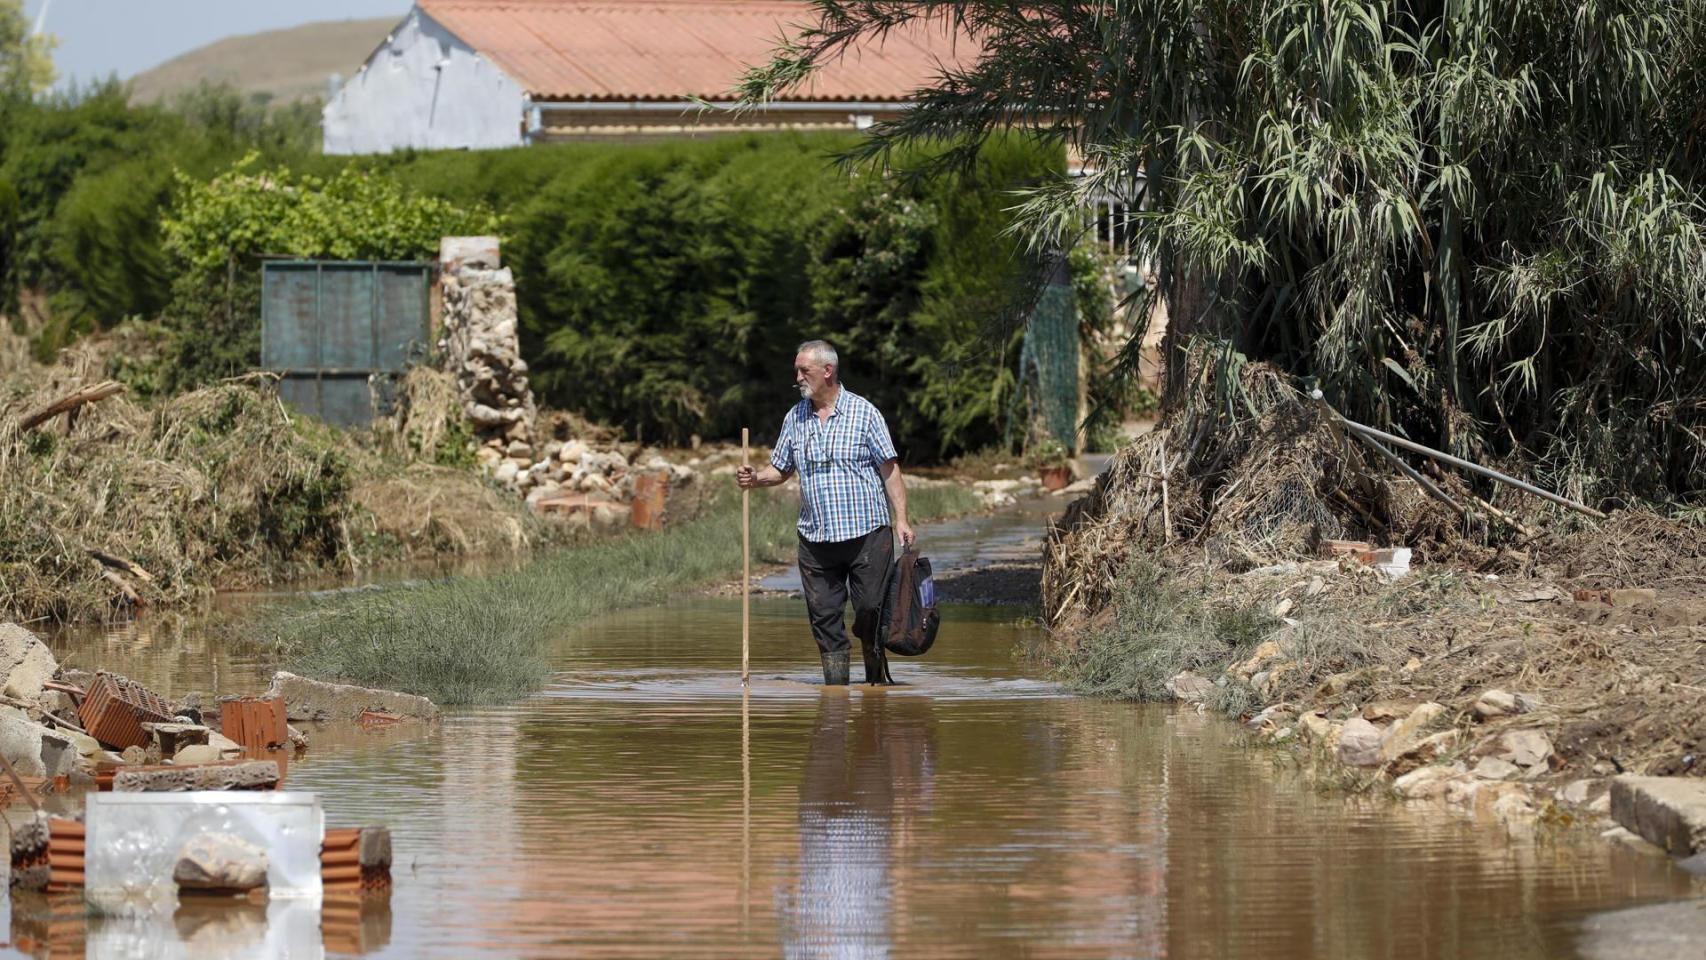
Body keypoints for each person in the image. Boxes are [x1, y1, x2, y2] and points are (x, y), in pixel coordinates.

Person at [736, 340, 914, 685]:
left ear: (827, 371)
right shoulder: (795, 417)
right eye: (797, 371)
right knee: (824, 618)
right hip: (816, 540)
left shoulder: (865, 414)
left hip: (868, 535)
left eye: (804, 371)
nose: (798, 377)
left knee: (871, 611)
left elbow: (890, 469)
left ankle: (874, 683)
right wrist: (756, 478)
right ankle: (836, 694)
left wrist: (902, 518)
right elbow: (781, 469)